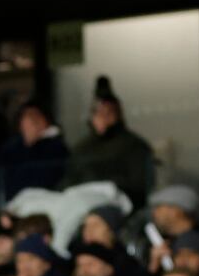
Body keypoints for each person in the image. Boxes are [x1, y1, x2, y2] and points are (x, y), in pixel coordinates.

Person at [61, 77, 155, 208]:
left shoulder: (134, 145)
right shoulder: (81, 148)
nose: (102, 118)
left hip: (117, 205)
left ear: (118, 115)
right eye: (98, 113)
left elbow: (139, 185)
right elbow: (68, 180)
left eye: (108, 113)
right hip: (78, 202)